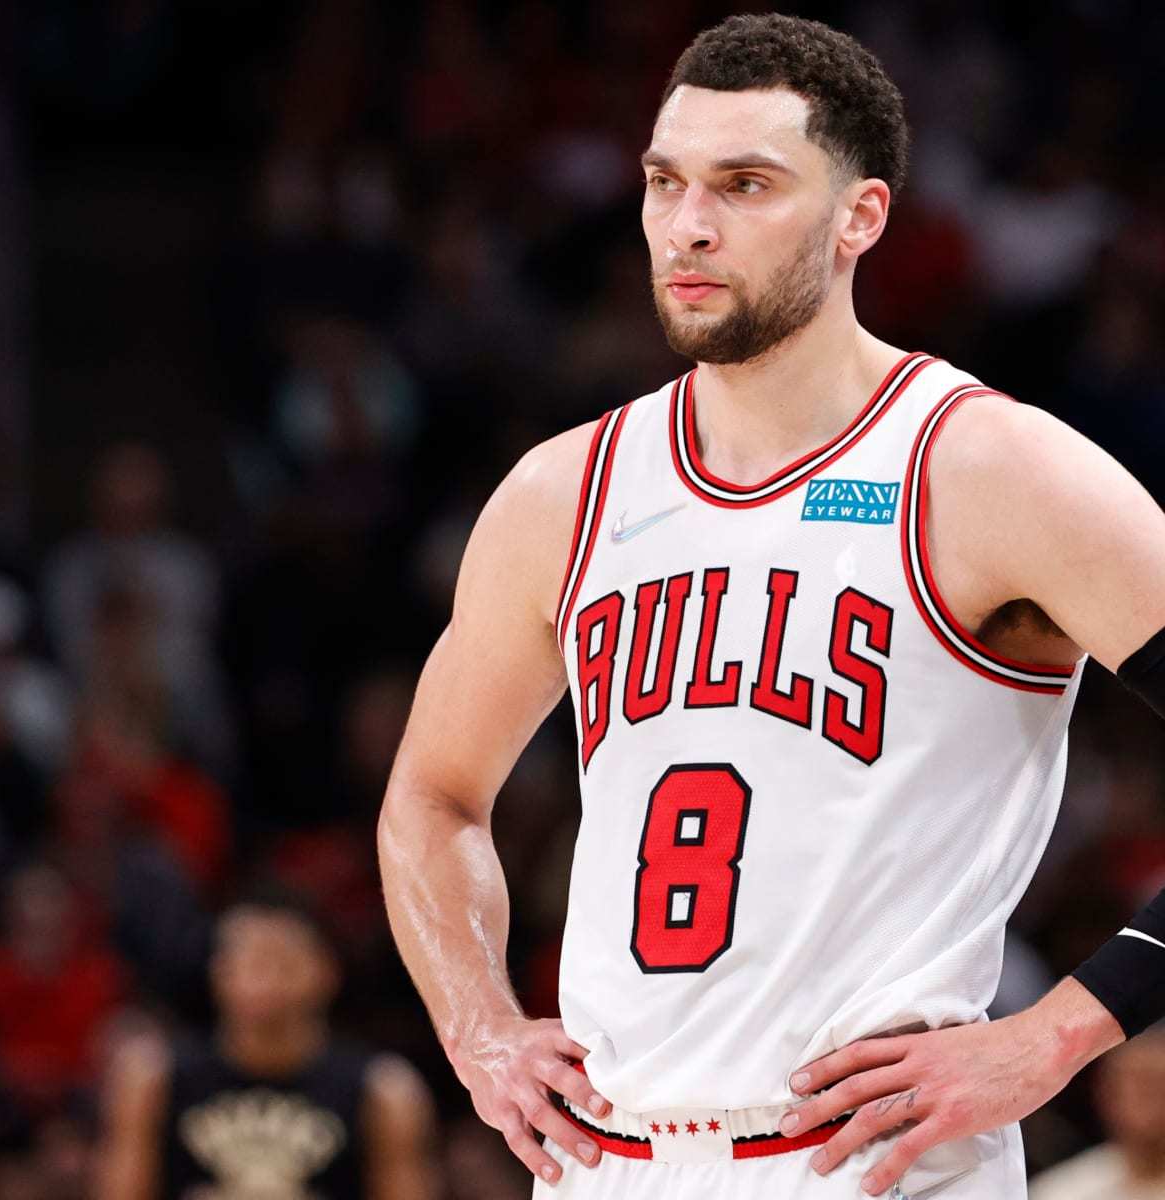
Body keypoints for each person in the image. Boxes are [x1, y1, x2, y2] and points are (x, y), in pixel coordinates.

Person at [378, 12, 1164, 1199]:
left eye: (745, 185)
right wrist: (477, 1026)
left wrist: (1054, 1036)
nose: (688, 225)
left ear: (862, 216)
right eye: (666, 182)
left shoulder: (993, 469)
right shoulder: (562, 493)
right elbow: (433, 796)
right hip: (609, 1163)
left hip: (877, 1162)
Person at [96, 888, 436, 1200]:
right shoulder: (153, 1077)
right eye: (249, 962)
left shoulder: (383, 1090)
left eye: (281, 962)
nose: (264, 979)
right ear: (218, 972)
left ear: (326, 971)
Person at [1029, 1031, 1165, 1199]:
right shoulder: (1062, 1192)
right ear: (1106, 1094)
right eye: (1134, 1087)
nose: (1144, 1101)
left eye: (1155, 1087)